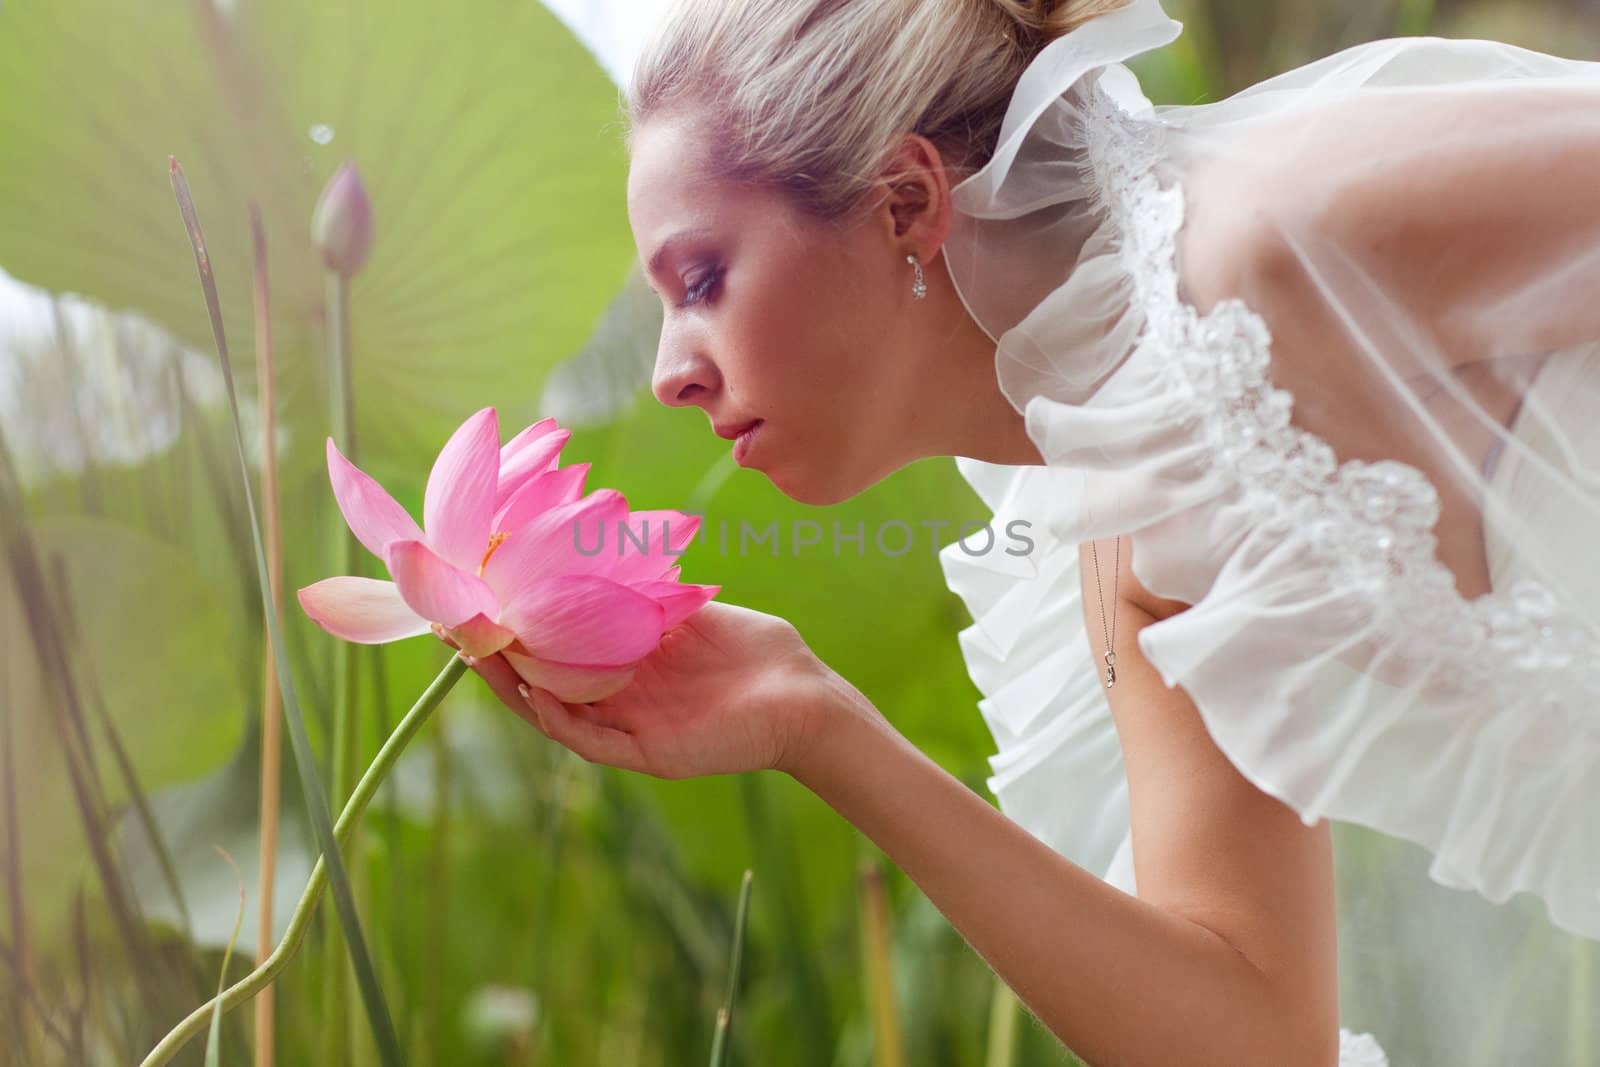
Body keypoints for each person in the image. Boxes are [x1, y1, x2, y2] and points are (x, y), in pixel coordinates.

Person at [459, 0, 1600, 1062]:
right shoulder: (1134, 513)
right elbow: (1253, 1032)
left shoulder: (1266, 237)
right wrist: (819, 725)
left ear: (905, 202)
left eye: (702, 276)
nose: (665, 374)